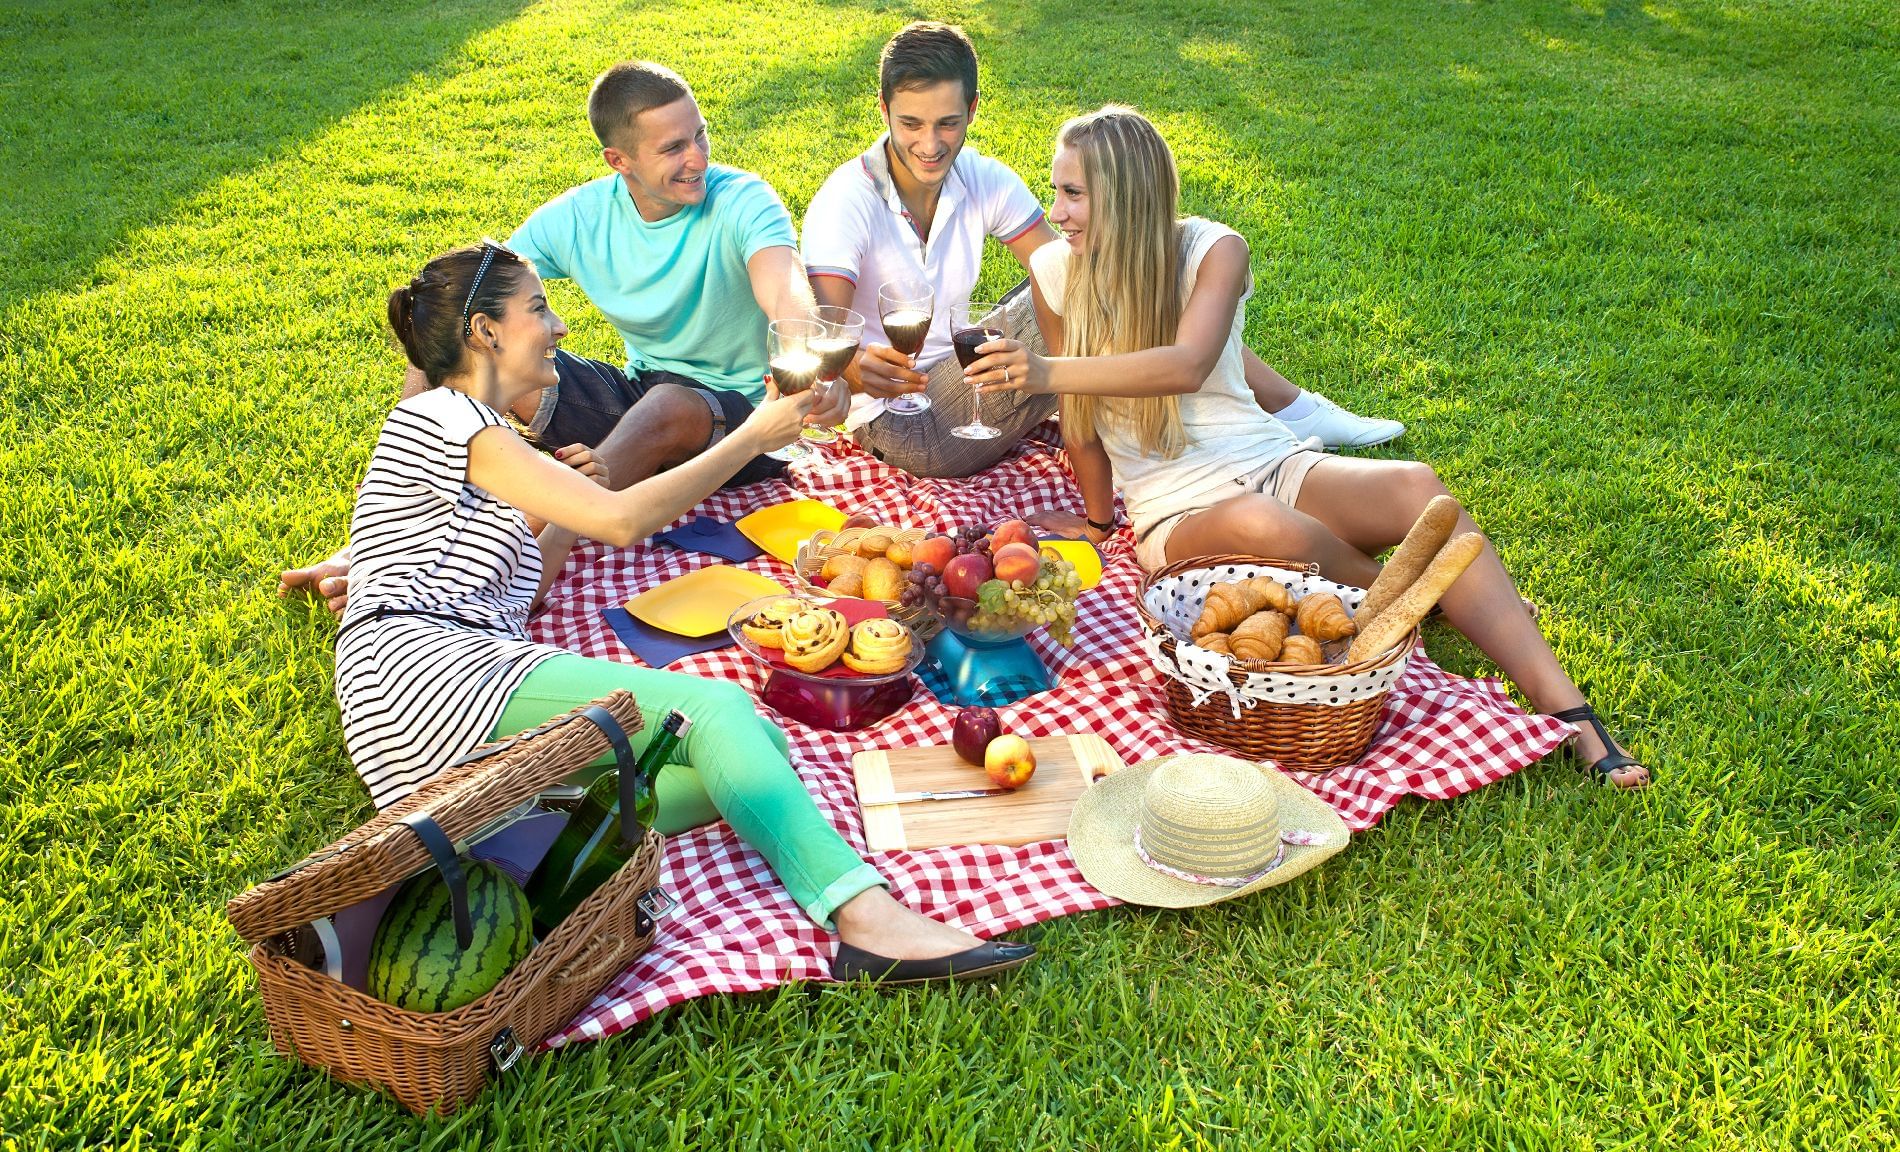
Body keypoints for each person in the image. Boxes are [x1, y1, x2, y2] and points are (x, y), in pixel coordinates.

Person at [335, 240, 1035, 982]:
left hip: (419, 724)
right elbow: (627, 522)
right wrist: (749, 437)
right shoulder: (449, 417)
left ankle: (523, 846)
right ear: (484, 331)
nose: (561, 327)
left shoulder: (490, 438)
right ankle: (865, 917)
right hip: (425, 673)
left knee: (752, 742)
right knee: (713, 712)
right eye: (538, 308)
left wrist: (568, 509)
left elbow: (527, 585)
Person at [967, 106, 1649, 789]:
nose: (1056, 212)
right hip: (1176, 509)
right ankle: (1421, 598)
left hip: (1270, 459)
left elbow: (1187, 363)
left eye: (1073, 193)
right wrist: (1095, 523)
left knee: (1418, 486)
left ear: (1129, 192)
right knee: (1265, 527)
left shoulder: (1214, 250)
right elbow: (1081, 422)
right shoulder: (1056, 272)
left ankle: (1572, 713)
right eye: (1056, 190)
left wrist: (1046, 373)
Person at [282, 60, 848, 609]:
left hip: (745, 418)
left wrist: (802, 361)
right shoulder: (579, 217)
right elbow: (468, 307)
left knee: (667, 406)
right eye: (673, 148)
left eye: (700, 135)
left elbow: (785, 291)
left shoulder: (744, 199)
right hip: (640, 393)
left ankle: (504, 555)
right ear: (618, 159)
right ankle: (387, 547)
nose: (697, 157)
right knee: (477, 358)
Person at [800, 21, 1401, 478]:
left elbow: (1092, 267)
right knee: (1068, 286)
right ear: (883, 112)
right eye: (910, 125)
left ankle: (1268, 413)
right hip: (905, 423)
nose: (930, 145)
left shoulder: (981, 179)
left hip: (968, 388)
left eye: (947, 124)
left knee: (1095, 271)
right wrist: (857, 367)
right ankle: (1279, 414)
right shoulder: (846, 200)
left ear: (973, 111)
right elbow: (829, 336)